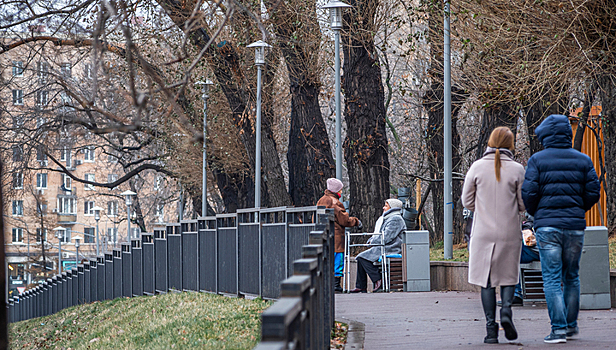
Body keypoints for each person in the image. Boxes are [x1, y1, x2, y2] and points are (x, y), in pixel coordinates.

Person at [522, 114, 600, 344]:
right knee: (572, 276)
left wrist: (539, 213)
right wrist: (578, 209)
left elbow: (529, 193)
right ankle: (571, 325)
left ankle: (558, 330)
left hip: (547, 227)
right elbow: (593, 192)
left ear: (545, 136)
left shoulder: (537, 160)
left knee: (552, 278)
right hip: (575, 226)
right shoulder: (583, 160)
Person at [461, 127, 526, 344]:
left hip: (483, 232)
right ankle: (506, 310)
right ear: (511, 144)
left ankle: (491, 330)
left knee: (486, 281)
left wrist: (481, 208)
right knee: (508, 276)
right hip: (509, 230)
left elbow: (466, 200)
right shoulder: (517, 169)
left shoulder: (477, 167)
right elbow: (522, 203)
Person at [349, 198, 405, 293]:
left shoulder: (396, 219)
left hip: (392, 247)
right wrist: (372, 240)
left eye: (386, 206)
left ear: (392, 208)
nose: (383, 208)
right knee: (360, 258)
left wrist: (373, 241)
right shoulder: (389, 218)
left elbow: (387, 237)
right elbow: (381, 234)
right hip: (385, 246)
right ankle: (361, 286)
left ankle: (378, 280)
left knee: (362, 258)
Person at [317, 178, 362, 293]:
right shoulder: (335, 202)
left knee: (326, 260)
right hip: (336, 237)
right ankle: (336, 284)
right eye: (340, 190)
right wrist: (356, 221)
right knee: (338, 260)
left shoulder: (321, 200)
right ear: (336, 191)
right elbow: (344, 220)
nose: (341, 192)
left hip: (322, 235)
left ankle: (326, 284)